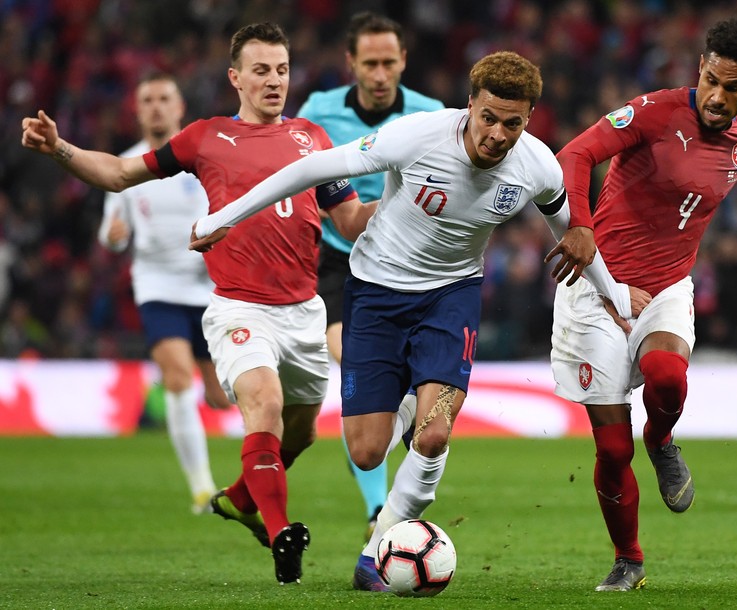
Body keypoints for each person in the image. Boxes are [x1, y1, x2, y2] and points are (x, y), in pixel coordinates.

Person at [190, 50, 645, 592]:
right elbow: (314, 168)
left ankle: (375, 552)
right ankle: (409, 404)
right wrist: (222, 217)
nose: (499, 134)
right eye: (489, 118)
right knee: (366, 450)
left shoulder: (538, 167)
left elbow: (574, 235)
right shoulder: (417, 136)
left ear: (528, 120)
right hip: (375, 293)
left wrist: (615, 298)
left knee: (434, 437)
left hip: (451, 298)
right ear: (469, 105)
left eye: (513, 123)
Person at [22, 22, 375, 585]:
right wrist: (59, 147)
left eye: (281, 70)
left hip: (304, 310)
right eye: (260, 70)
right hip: (239, 307)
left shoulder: (314, 139)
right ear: (235, 77)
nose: (273, 81)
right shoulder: (206, 138)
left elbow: (352, 221)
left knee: (302, 433)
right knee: (264, 404)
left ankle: (240, 499)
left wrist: (407, 204)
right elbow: (118, 174)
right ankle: (282, 531)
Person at [549, 18, 737, 592]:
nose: (717, 95)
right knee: (610, 448)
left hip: (667, 287)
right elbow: (575, 154)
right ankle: (629, 558)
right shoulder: (652, 112)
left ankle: (661, 438)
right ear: (699, 66)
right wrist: (580, 226)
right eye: (711, 79)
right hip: (597, 287)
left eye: (732, 87)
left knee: (666, 378)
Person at [296, 11, 444, 541]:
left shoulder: (432, 116)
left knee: (405, 386)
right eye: (370, 63)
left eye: (389, 62)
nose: (380, 74)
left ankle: (400, 473)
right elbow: (299, 168)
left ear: (403, 61)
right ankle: (376, 508)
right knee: (347, 352)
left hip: (411, 265)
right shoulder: (319, 113)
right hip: (341, 259)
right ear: (351, 63)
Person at [96, 72, 230, 515]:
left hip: (211, 288)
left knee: (221, 396)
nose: (156, 106)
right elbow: (110, 234)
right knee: (175, 377)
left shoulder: (201, 157)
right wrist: (115, 236)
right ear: (137, 110)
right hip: (158, 288)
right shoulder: (126, 164)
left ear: (178, 108)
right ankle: (201, 489)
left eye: (164, 98)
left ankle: (256, 477)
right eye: (147, 99)